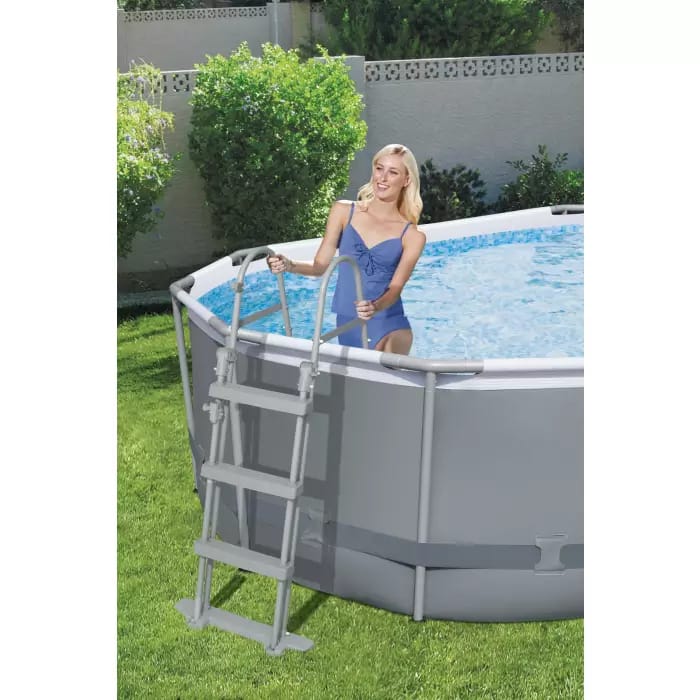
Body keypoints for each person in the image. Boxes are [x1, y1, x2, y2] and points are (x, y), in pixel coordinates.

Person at [267, 144, 426, 354]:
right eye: (379, 168)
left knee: (384, 370)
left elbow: (395, 289)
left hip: (388, 321)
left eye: (393, 172)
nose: (383, 177)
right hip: (347, 322)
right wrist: (289, 265)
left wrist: (375, 306)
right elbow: (319, 267)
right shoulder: (343, 212)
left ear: (406, 180)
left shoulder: (412, 236)